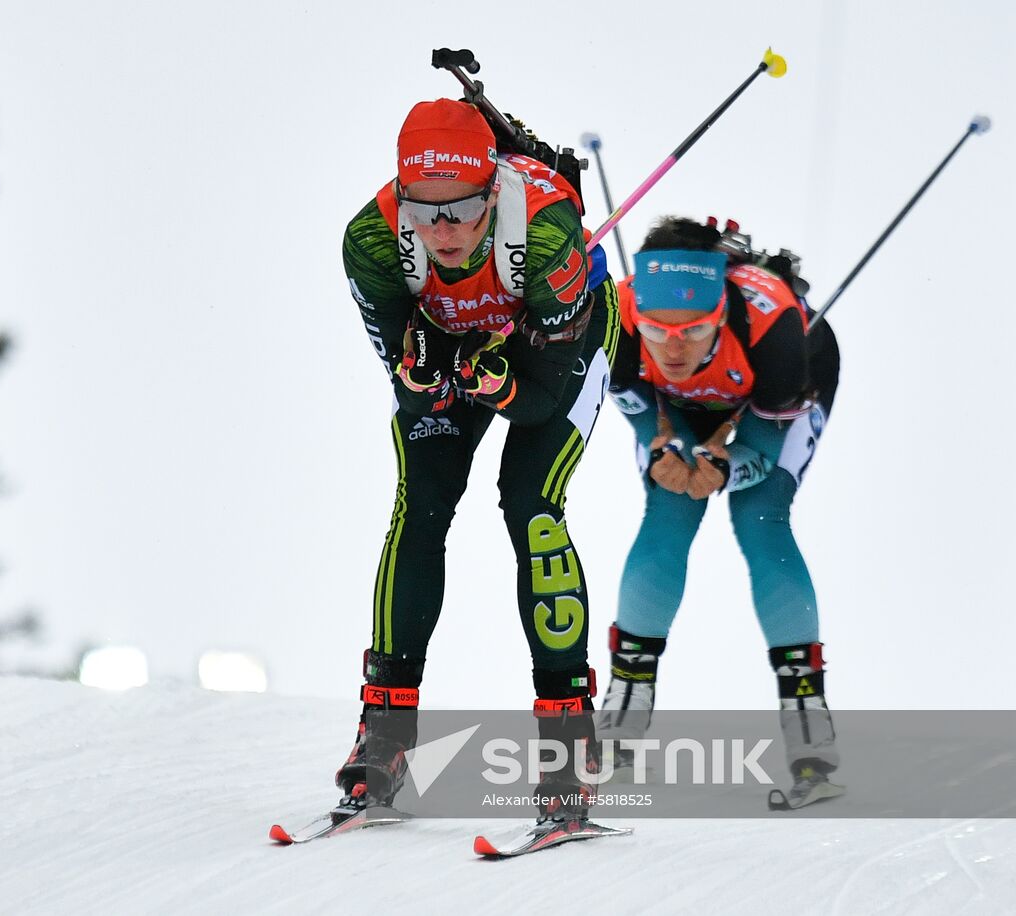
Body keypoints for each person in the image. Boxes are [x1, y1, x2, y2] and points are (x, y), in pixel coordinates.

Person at [335, 98, 619, 825]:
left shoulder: (548, 235)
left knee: (530, 500)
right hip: (458, 338)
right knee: (421, 501)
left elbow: (540, 402)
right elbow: (407, 379)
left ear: (493, 191)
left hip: (557, 354)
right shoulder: (371, 240)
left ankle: (567, 740)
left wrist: (501, 381)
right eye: (423, 212)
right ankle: (385, 733)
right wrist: (421, 371)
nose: (443, 231)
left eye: (460, 209)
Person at [599, 215, 843, 805]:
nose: (674, 346)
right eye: (658, 330)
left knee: (761, 522)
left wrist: (728, 467)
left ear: (720, 314)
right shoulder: (614, 322)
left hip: (771, 389)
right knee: (668, 509)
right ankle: (620, 724)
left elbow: (758, 452)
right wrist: (664, 446)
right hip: (677, 406)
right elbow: (638, 404)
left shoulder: (779, 338)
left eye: (694, 329)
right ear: (638, 316)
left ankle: (810, 732)